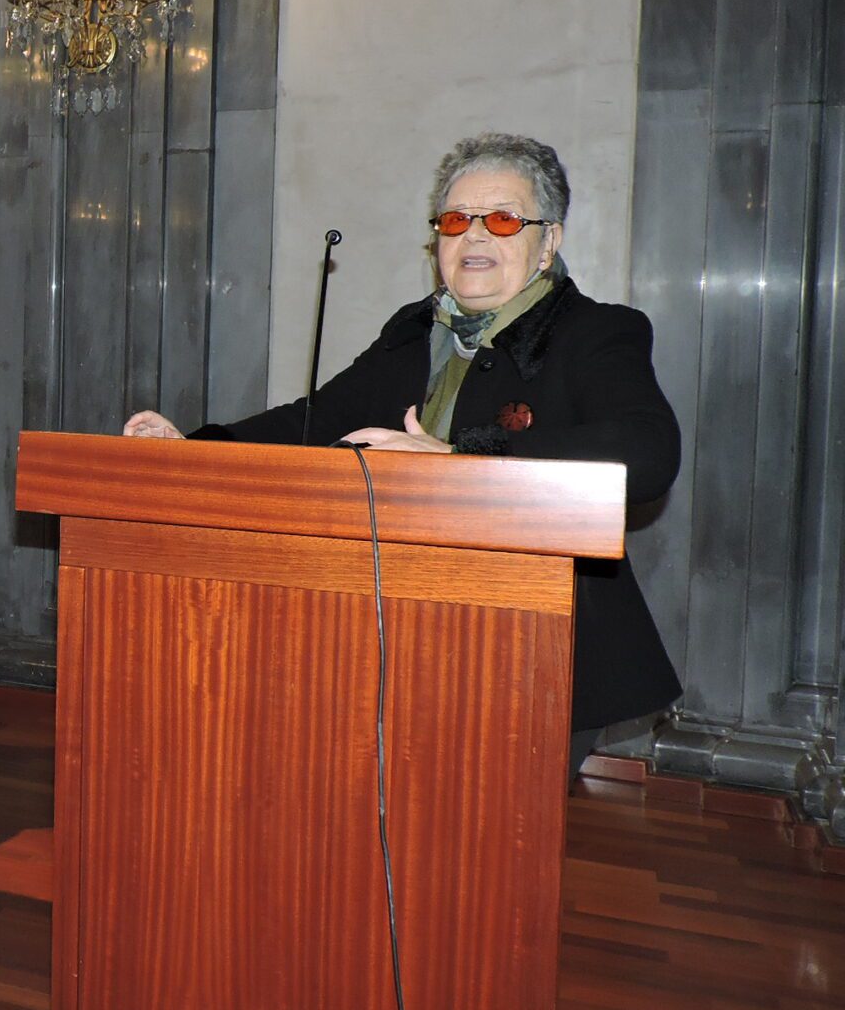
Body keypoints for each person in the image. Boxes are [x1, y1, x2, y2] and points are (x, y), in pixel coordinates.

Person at [125, 134, 682, 782]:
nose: (473, 238)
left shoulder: (598, 332)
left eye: (501, 219)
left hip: (538, 647)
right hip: (388, 629)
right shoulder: (414, 332)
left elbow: (649, 452)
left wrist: (459, 454)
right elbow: (315, 422)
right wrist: (191, 451)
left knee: (481, 844)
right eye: (454, 221)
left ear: (548, 240)